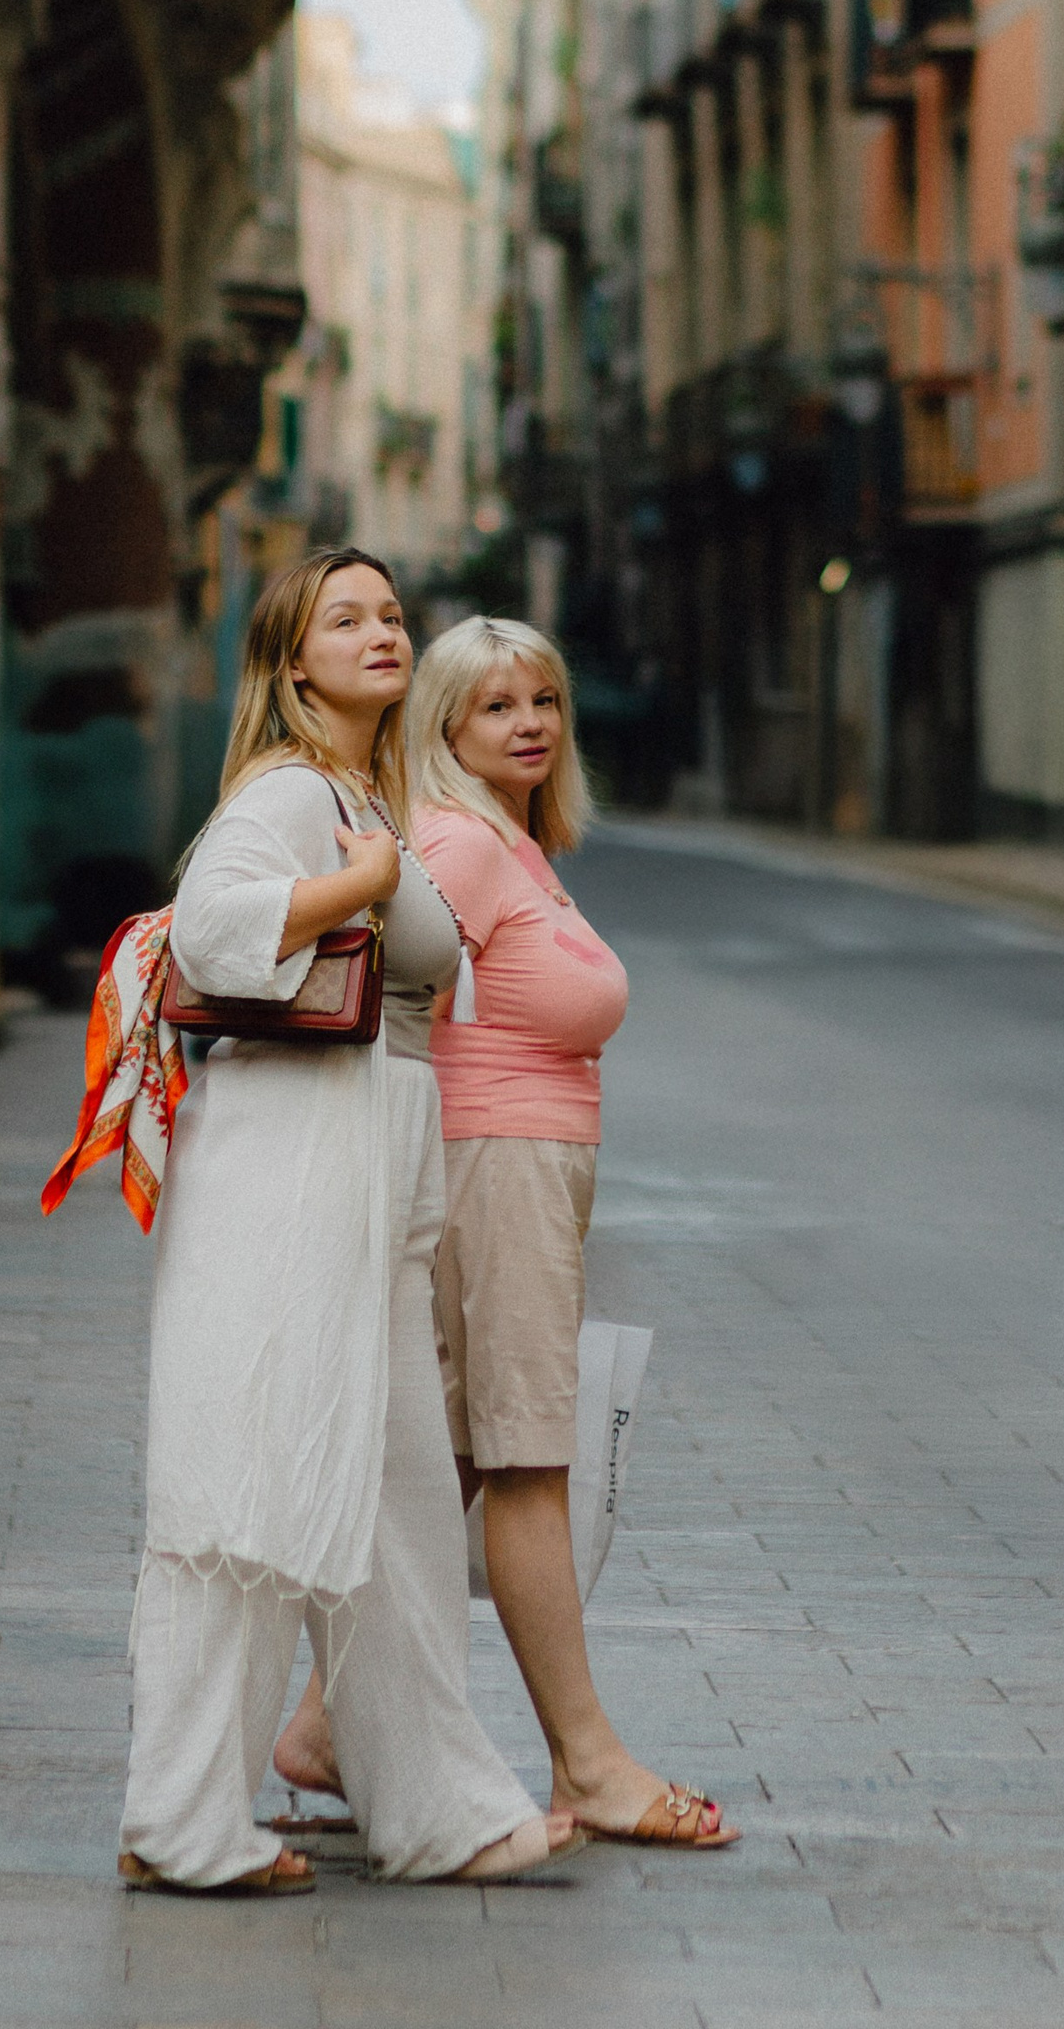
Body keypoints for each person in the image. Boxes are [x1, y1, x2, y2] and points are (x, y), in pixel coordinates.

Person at [116, 550, 566, 1895]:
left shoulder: (369, 791)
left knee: (399, 1503)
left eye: (390, 614)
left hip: (367, 1172)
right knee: (254, 1486)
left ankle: (440, 1809)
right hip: (289, 1168)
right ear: (291, 660)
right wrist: (355, 885)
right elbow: (210, 931)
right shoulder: (288, 794)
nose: (382, 632)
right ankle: (181, 1821)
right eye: (347, 619)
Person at [275, 614, 736, 1851]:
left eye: (542, 698)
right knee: (527, 1458)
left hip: (518, 1173)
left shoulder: (513, 843)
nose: (528, 721)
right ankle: (587, 1759)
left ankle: (325, 1723)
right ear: (443, 727)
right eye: (494, 705)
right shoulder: (461, 847)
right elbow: (371, 1001)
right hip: (493, 1175)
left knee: (465, 1460)